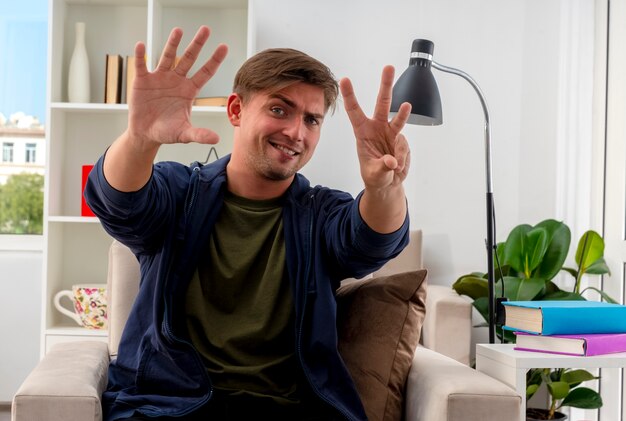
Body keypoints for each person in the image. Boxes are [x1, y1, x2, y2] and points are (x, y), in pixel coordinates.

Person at [85, 25, 412, 421]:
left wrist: (385, 190)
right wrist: (139, 140)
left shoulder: (320, 212)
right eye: (279, 109)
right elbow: (118, 202)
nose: (295, 132)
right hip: (171, 407)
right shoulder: (181, 193)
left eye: (311, 120)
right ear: (237, 110)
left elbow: (370, 242)